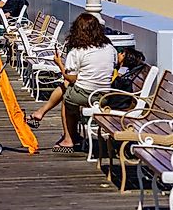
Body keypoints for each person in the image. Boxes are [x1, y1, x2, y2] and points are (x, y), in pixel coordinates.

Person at [24, 13, 117, 153]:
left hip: (86, 94)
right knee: (66, 87)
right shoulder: (110, 48)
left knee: (67, 97)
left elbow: (70, 77)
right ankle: (40, 113)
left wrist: (59, 63)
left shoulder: (77, 51)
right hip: (104, 95)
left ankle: (68, 139)